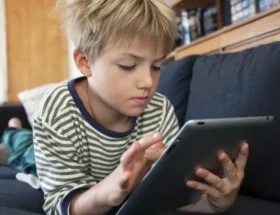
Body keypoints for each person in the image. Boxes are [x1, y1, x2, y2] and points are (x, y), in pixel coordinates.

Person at [32, 1, 250, 215]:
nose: (147, 82)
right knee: (23, 153)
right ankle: (14, 130)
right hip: (45, 156)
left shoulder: (160, 110)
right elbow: (59, 205)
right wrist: (106, 192)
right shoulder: (57, 110)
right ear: (85, 62)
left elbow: (168, 194)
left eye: (156, 67)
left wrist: (217, 203)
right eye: (128, 66)